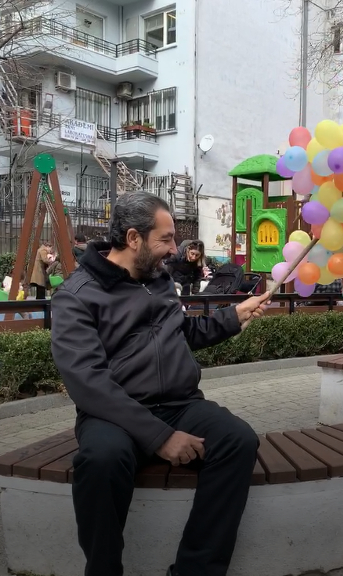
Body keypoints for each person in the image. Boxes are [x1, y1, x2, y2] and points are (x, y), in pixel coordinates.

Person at [50, 192, 270, 576]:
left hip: (182, 404)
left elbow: (182, 332)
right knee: (100, 461)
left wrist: (232, 317)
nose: (174, 249)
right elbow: (88, 383)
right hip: (112, 414)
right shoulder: (75, 297)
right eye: (166, 239)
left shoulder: (160, 280)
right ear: (133, 238)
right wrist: (161, 438)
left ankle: (195, 570)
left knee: (239, 440)